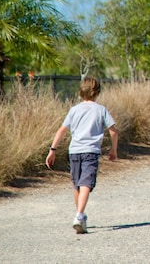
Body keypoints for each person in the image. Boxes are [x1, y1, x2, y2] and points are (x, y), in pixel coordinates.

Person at [46, 76, 119, 234]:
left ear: (80, 92)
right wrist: (113, 149)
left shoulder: (74, 110)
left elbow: (62, 130)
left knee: (77, 184)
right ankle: (79, 215)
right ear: (97, 92)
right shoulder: (101, 110)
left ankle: (81, 216)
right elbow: (113, 131)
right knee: (86, 183)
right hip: (90, 151)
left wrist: (52, 150)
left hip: (74, 152)